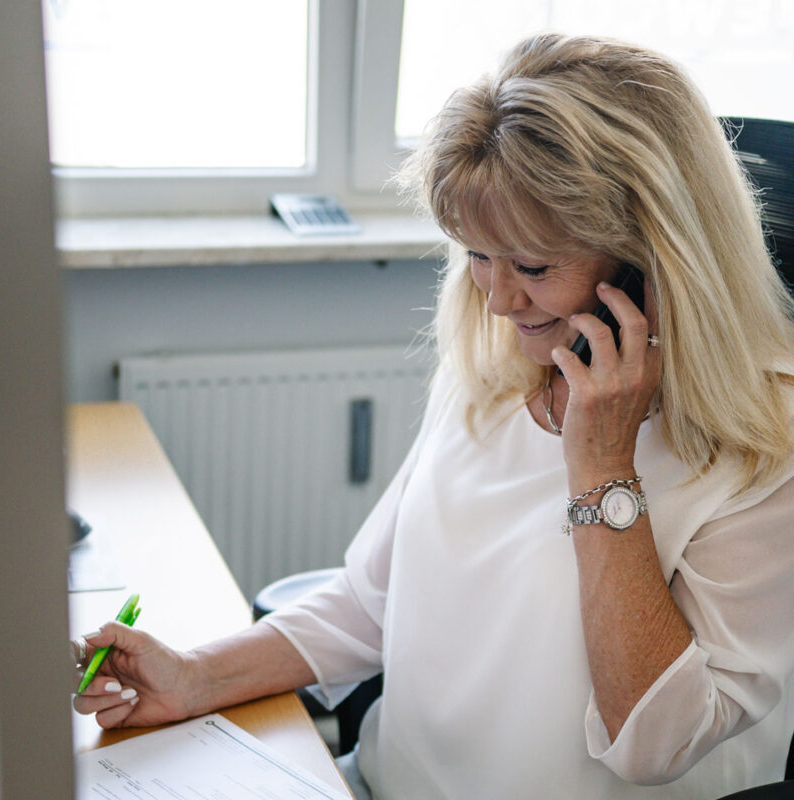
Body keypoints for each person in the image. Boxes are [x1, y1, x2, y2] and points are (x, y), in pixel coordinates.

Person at [73, 33, 794, 799]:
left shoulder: (762, 442)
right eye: (479, 254)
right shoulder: (500, 364)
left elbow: (657, 746)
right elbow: (368, 603)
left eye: (534, 266)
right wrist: (192, 676)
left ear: (655, 261)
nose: (497, 297)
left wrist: (604, 470)